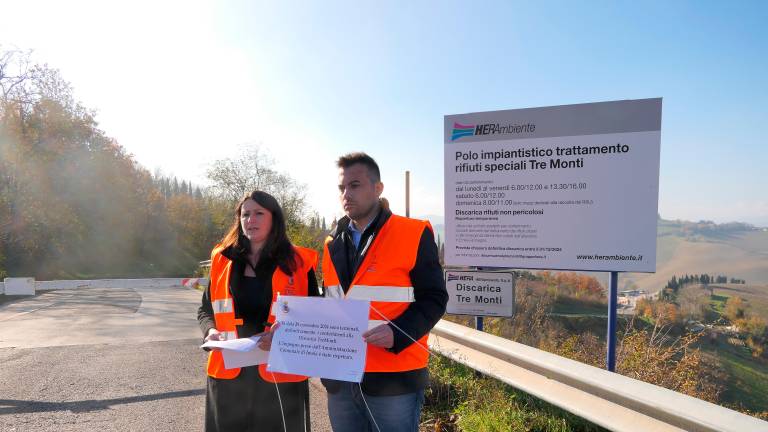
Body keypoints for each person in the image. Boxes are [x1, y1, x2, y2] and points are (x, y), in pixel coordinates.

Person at [321, 152, 448, 432]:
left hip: (394, 377)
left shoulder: (412, 233)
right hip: (340, 377)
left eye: (354, 185)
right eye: (341, 188)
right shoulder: (332, 242)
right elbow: (330, 301)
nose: (346, 194)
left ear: (378, 188)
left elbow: (435, 298)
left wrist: (397, 332)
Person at [198, 190, 319, 432]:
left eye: (259, 213)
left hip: (280, 376)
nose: (250, 220)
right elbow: (205, 309)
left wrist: (283, 336)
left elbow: (314, 317)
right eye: (245, 214)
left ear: (274, 218)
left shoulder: (298, 263)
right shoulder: (223, 259)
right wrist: (210, 331)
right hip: (229, 375)